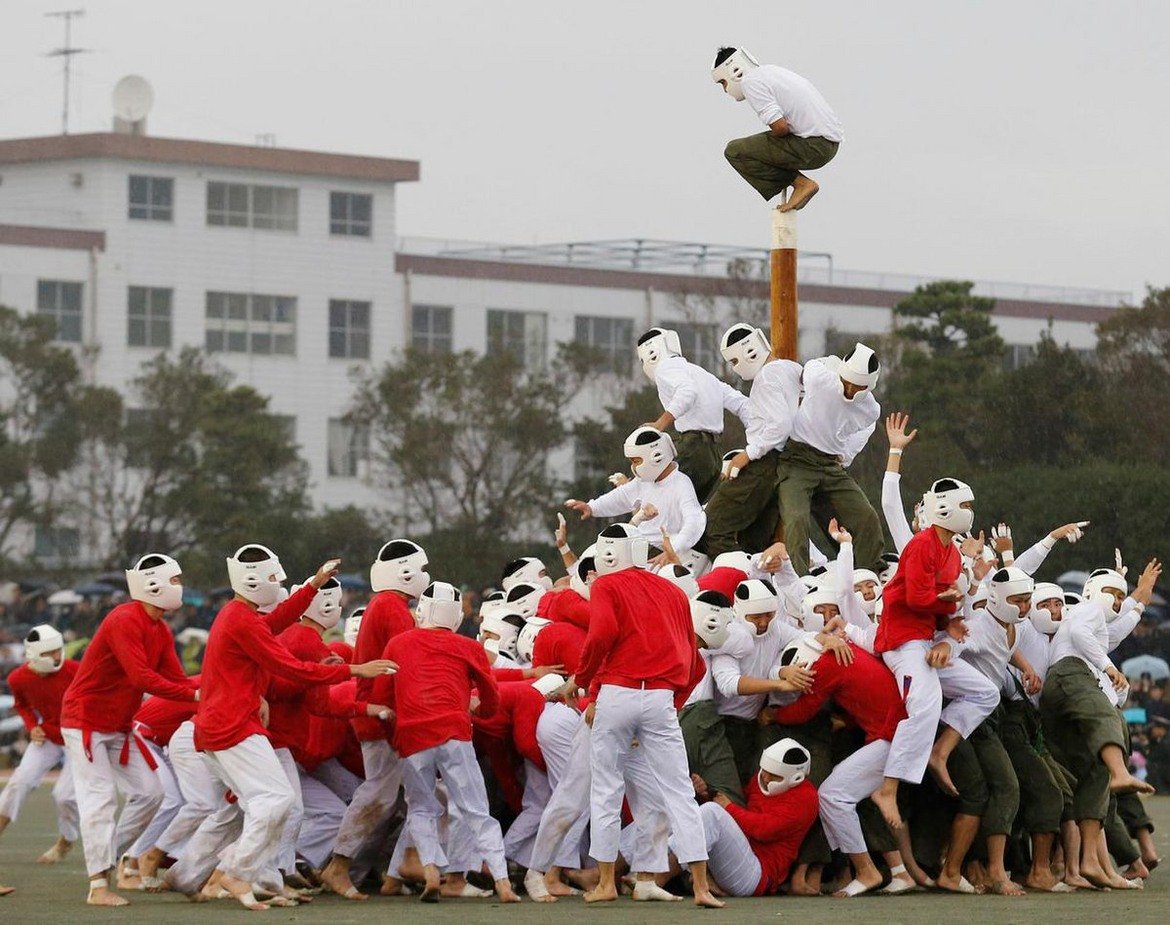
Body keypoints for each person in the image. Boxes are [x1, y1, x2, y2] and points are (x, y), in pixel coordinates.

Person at [193, 547, 395, 911]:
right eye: (274, 579)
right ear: (251, 579)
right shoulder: (240, 619)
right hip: (230, 726)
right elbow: (293, 670)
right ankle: (236, 872)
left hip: (232, 724)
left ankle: (243, 873)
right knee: (277, 801)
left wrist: (314, 584)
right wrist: (354, 670)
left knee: (277, 804)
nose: (278, 586)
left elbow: (281, 620)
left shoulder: (242, 615)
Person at [576, 523, 724, 907]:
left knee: (606, 789)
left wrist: (582, 678)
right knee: (678, 792)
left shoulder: (606, 586)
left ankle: (607, 883)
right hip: (660, 699)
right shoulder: (675, 592)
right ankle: (700, 888)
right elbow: (696, 665)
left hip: (617, 693)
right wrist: (671, 705)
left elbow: (601, 634)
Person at [869, 478, 1000, 881]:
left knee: (985, 692)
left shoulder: (948, 551)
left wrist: (952, 621)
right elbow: (913, 598)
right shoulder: (922, 544)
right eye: (966, 503)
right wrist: (949, 604)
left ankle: (939, 752)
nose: (971, 511)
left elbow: (939, 602)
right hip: (901, 641)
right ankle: (888, 788)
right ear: (945, 508)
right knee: (923, 706)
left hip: (925, 639)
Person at [60, 554, 198, 907]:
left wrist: (211, 692)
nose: (180, 587)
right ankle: (97, 886)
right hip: (86, 722)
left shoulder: (160, 628)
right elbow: (142, 677)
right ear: (154, 584)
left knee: (151, 793)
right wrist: (199, 693)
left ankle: (106, 861)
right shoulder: (124, 619)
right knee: (100, 799)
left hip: (118, 726)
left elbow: (176, 680)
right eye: (176, 580)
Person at [375, 581, 520, 903]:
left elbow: (383, 699)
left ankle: (430, 871)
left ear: (422, 611)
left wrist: (396, 738)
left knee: (422, 809)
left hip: (412, 736)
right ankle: (502, 881)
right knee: (476, 810)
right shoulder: (469, 647)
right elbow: (491, 694)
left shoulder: (398, 645)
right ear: (456, 616)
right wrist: (481, 711)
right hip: (454, 732)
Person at [320, 538, 428, 900]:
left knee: (398, 796)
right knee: (383, 795)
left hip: (382, 712)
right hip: (383, 714)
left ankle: (382, 871)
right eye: (422, 569)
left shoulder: (386, 604)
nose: (425, 576)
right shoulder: (392, 606)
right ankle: (340, 866)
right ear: (406, 572)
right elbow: (410, 663)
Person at [776, 343, 884, 576]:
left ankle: (868, 576)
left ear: (869, 387)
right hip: (798, 460)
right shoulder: (821, 379)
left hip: (830, 466)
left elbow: (863, 431)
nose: (851, 390)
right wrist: (831, 362)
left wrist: (845, 455)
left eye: (859, 387)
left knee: (867, 517)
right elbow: (809, 368)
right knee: (796, 520)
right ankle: (800, 581)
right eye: (847, 383)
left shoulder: (870, 410)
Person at [702, 323, 802, 557]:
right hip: (787, 464)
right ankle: (757, 584)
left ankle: (735, 578)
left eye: (734, 362)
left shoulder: (766, 378)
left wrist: (748, 454)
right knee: (754, 539)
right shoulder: (790, 368)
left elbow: (780, 425)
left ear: (749, 352)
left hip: (764, 463)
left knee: (713, 528)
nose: (736, 368)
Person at [713, 47, 843, 212]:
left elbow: (781, 128)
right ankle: (800, 183)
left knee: (735, 151)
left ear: (734, 71)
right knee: (758, 146)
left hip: (814, 146)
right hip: (829, 144)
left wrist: (763, 148)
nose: (725, 89)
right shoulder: (771, 71)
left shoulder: (750, 82)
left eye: (723, 82)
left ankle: (802, 184)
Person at [684, 739, 819, 896]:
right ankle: (654, 878)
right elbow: (739, 809)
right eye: (765, 771)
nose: (766, 779)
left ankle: (664, 878)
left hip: (757, 875)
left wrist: (728, 807)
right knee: (684, 812)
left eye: (774, 776)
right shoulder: (760, 779)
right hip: (737, 854)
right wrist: (706, 794)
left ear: (795, 778)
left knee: (711, 812)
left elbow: (764, 830)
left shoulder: (806, 798)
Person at [637, 327, 752, 502]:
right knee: (690, 514)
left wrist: (660, 424)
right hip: (714, 456)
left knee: (659, 506)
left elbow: (687, 392)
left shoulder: (664, 368)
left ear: (650, 354)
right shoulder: (701, 373)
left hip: (693, 449)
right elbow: (741, 403)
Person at [567, 426, 705, 567]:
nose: (633, 467)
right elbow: (622, 496)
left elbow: (694, 523)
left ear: (656, 456)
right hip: (637, 546)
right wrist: (592, 507)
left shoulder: (681, 484)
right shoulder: (644, 481)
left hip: (659, 554)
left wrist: (672, 550)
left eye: (636, 461)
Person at [0, 624, 79, 864]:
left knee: (64, 796)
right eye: (49, 652)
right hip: (47, 736)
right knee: (18, 783)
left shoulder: (76, 669)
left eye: (58, 650)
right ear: (34, 654)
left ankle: (66, 840)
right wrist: (32, 724)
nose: (56, 656)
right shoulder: (17, 678)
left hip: (77, 737)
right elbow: (22, 705)